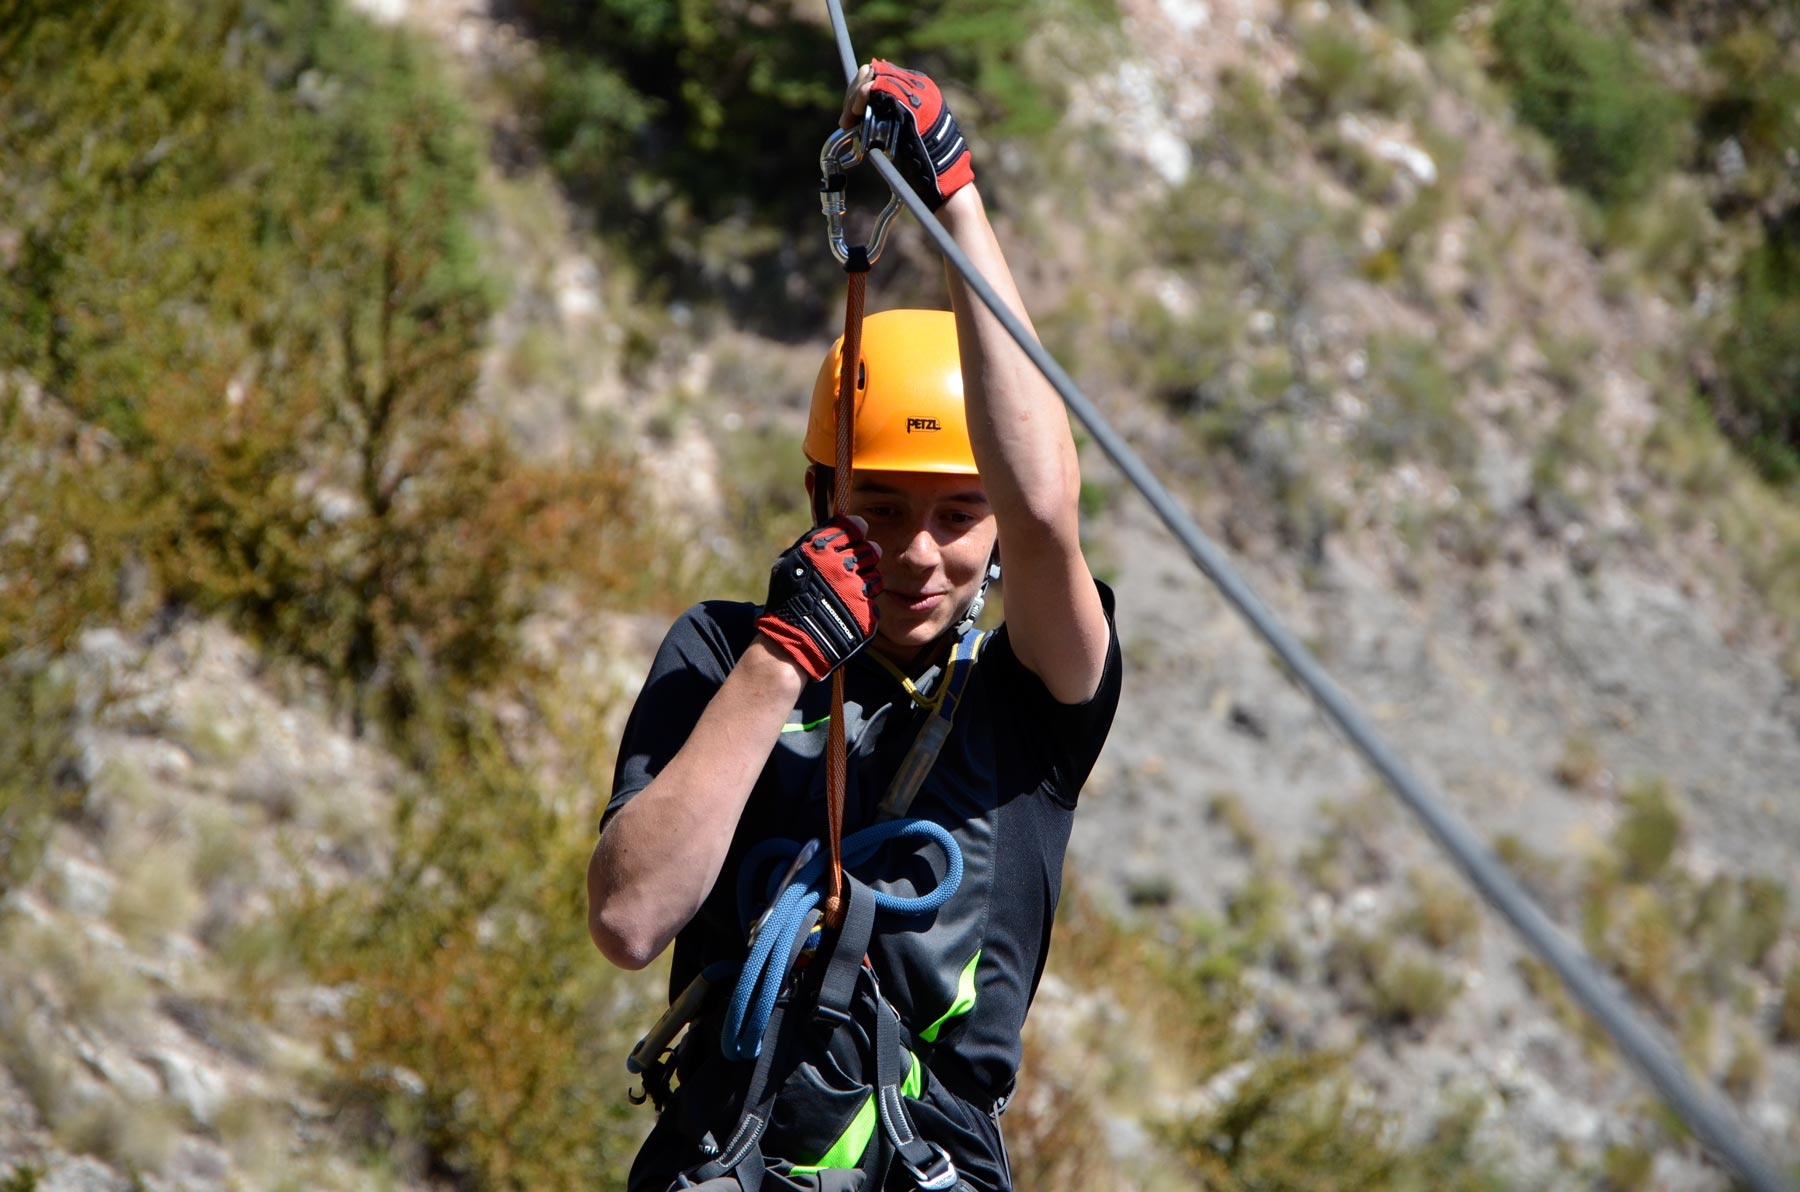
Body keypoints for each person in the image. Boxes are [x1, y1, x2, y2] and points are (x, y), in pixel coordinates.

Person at [588, 60, 1122, 1192]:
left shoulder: (1034, 688)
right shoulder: (724, 652)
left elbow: (1044, 508)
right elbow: (632, 914)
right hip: (723, 1151)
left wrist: (955, 194)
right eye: (884, 507)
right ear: (820, 498)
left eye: (957, 512)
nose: (923, 551)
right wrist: (782, 662)